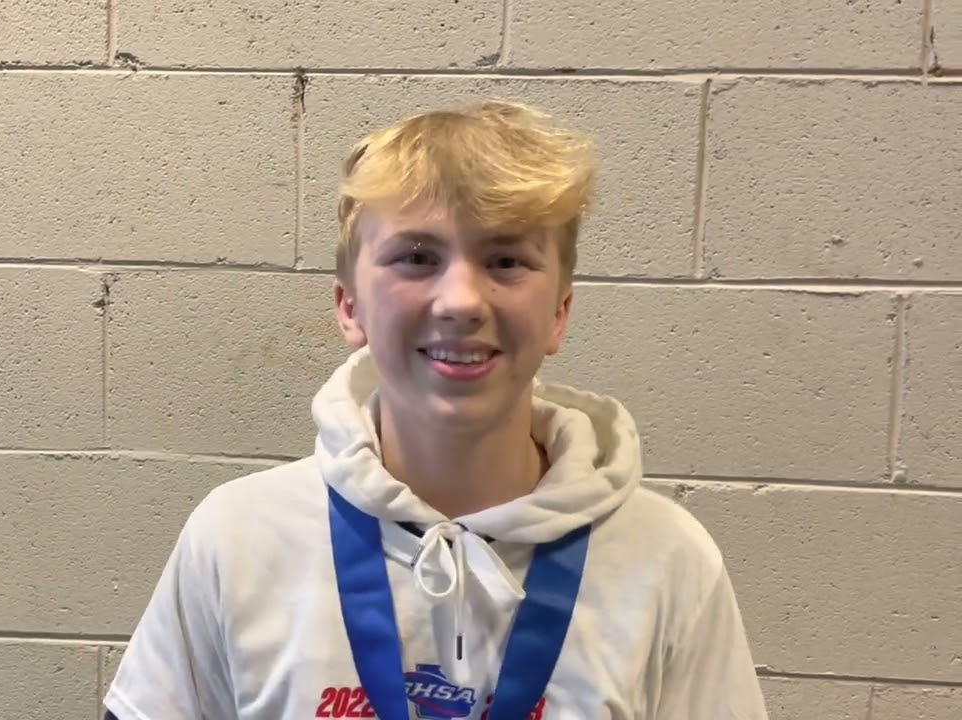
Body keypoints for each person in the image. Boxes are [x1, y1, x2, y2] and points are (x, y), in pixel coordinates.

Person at [103, 100, 769, 719]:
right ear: (350, 307)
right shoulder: (237, 538)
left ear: (559, 313)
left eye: (506, 260)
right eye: (418, 257)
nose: (461, 301)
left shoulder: (668, 561)